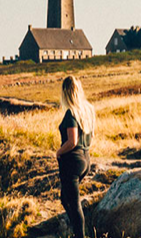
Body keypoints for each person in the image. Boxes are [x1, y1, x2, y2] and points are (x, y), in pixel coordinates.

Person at [55, 76, 96, 238]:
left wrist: (59, 152)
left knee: (74, 203)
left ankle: (80, 235)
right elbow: (91, 136)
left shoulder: (71, 113)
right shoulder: (88, 110)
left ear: (66, 92)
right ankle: (76, 230)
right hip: (85, 159)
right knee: (65, 198)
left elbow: (72, 141)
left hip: (71, 162)